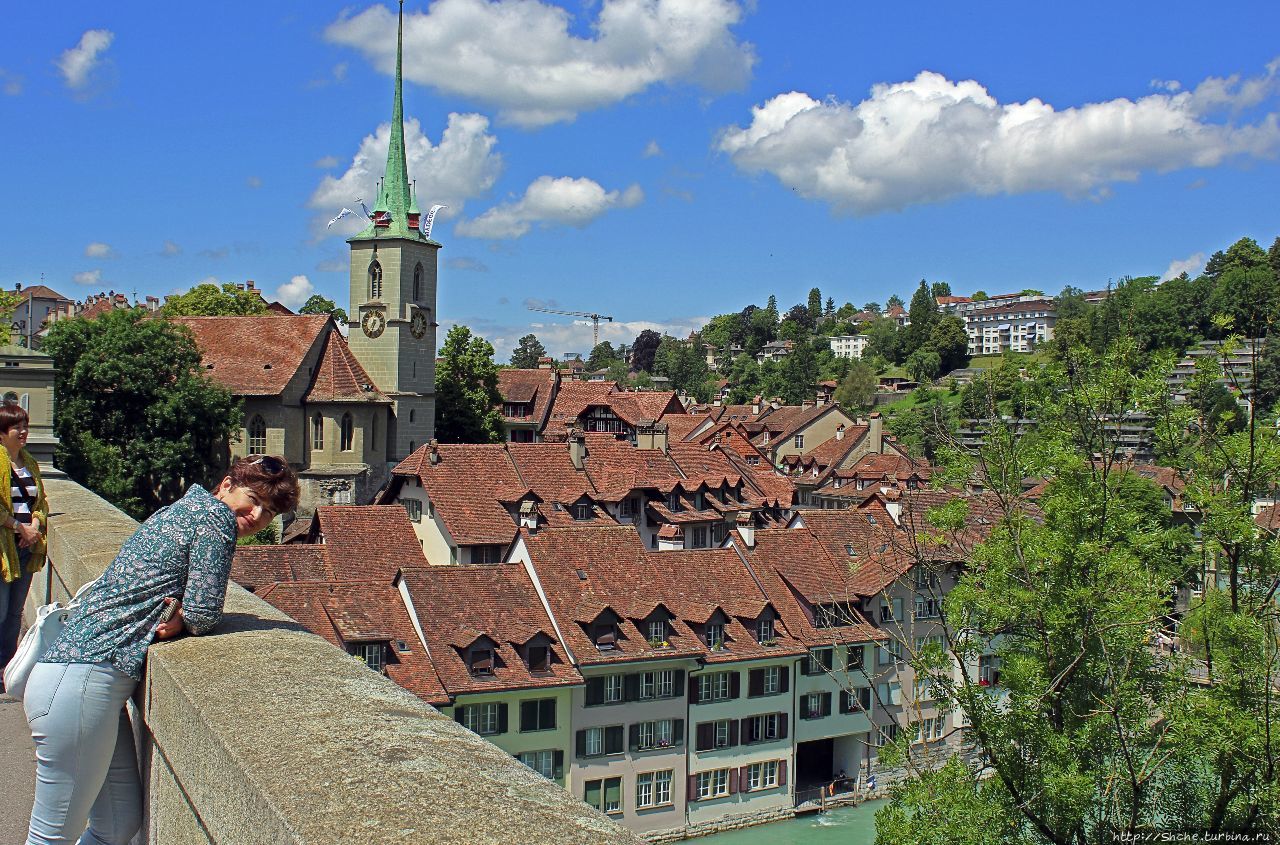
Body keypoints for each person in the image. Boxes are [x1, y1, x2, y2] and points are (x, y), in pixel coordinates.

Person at [24, 455, 299, 845]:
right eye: (253, 498)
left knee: (116, 826)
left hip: (79, 679)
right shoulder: (214, 520)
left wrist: (178, 609)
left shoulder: (182, 510)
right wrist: (188, 614)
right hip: (82, 680)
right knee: (51, 837)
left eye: (268, 512)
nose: (255, 513)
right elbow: (205, 614)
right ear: (225, 485)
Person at [0, 400, 48, 692]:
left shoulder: (29, 462)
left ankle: (6, 668)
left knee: (15, 612)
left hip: (26, 547)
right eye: (16, 427)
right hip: (4, 549)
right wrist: (20, 527)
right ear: (2, 433)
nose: (23, 432)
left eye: (24, 426)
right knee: (1, 610)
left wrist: (35, 527)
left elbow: (40, 503)